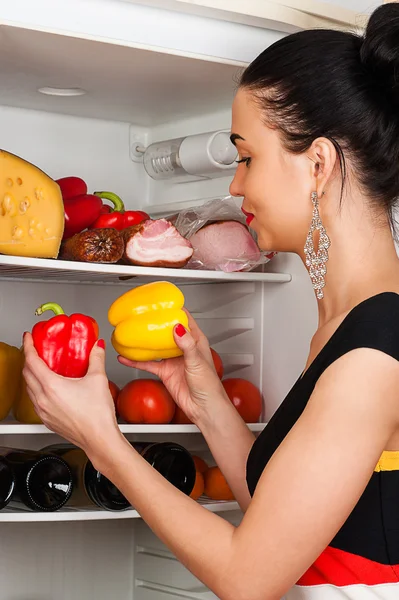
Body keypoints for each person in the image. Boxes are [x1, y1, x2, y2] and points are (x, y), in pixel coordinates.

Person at [23, 4, 399, 598]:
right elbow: (278, 510)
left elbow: (249, 576)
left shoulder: (377, 352)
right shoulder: (354, 327)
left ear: (319, 164)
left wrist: (101, 442)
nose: (234, 184)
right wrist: (203, 401)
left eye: (247, 157)